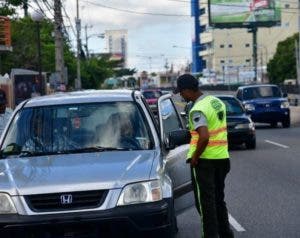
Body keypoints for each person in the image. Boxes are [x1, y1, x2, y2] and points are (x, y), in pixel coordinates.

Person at [174, 74, 234, 238]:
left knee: (205, 204)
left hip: (206, 162)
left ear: (187, 90)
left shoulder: (197, 109)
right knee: (218, 200)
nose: (181, 96)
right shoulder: (216, 102)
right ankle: (226, 234)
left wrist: (195, 158)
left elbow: (204, 136)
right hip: (222, 158)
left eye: (181, 92)